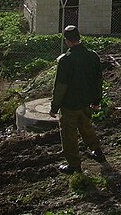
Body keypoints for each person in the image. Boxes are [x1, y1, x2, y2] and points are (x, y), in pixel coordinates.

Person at [49, 25, 106, 174]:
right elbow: (98, 80)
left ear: (67, 41)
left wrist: (54, 107)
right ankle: (97, 151)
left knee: (69, 135)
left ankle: (74, 165)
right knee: (86, 127)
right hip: (86, 102)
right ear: (79, 38)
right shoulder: (92, 56)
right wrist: (96, 100)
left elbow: (61, 86)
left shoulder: (66, 60)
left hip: (69, 105)